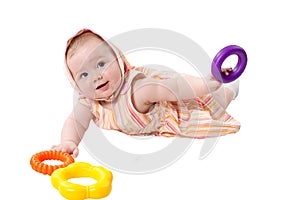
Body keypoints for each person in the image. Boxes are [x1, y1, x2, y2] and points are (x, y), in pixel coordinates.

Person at [52, 29, 240, 158]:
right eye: (84, 74)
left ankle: (230, 88)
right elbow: (75, 122)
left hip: (177, 105)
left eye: (101, 64)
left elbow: (172, 88)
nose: (96, 77)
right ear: (75, 84)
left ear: (117, 59)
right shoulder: (89, 103)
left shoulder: (137, 89)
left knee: (215, 103)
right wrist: (68, 142)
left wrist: (206, 84)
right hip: (154, 119)